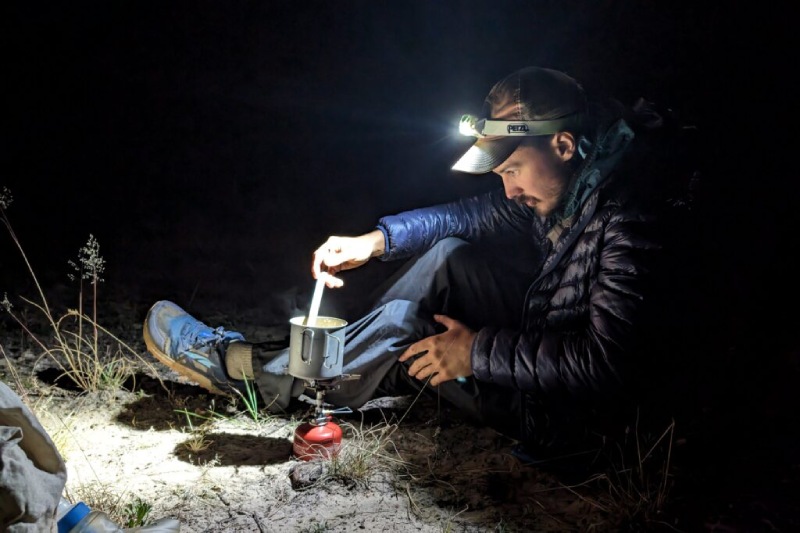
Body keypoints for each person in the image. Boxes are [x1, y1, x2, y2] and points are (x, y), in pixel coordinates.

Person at [144, 66, 696, 470]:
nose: (508, 189)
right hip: (541, 343)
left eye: (513, 170)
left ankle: (248, 371)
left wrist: (474, 350)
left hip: (574, 422)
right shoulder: (574, 178)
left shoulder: (628, 219)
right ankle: (332, 364)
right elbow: (471, 215)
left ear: (564, 143)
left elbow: (607, 366)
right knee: (448, 255)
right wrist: (375, 241)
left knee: (405, 325)